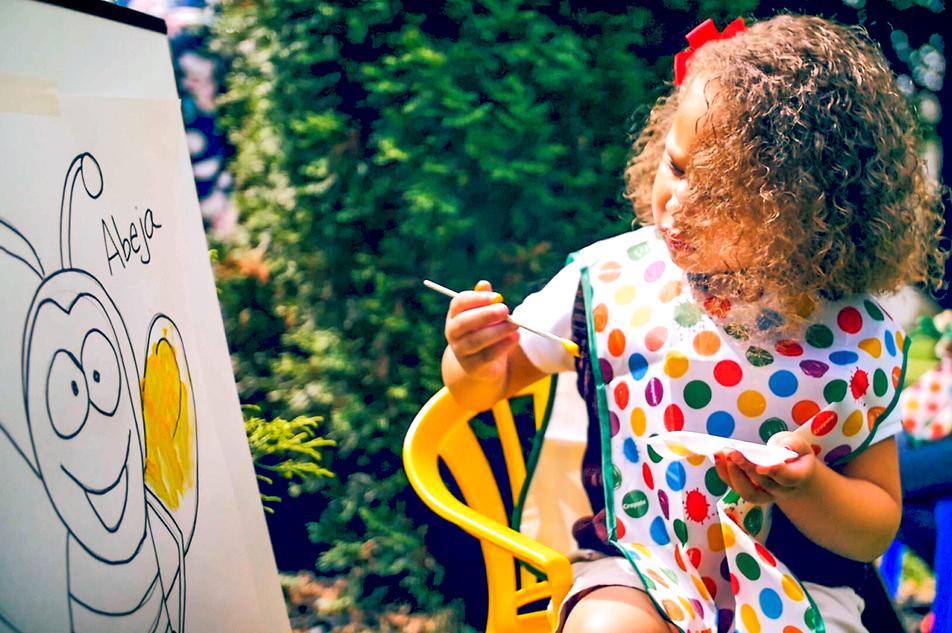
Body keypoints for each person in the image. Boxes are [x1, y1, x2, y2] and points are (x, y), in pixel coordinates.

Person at [439, 14, 946, 633]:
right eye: (678, 168)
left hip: (799, 581)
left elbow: (874, 529)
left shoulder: (855, 341)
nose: (679, 203)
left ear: (810, 215)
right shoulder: (611, 280)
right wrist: (471, 355)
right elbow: (488, 381)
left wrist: (810, 487)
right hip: (637, 566)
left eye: (723, 195)